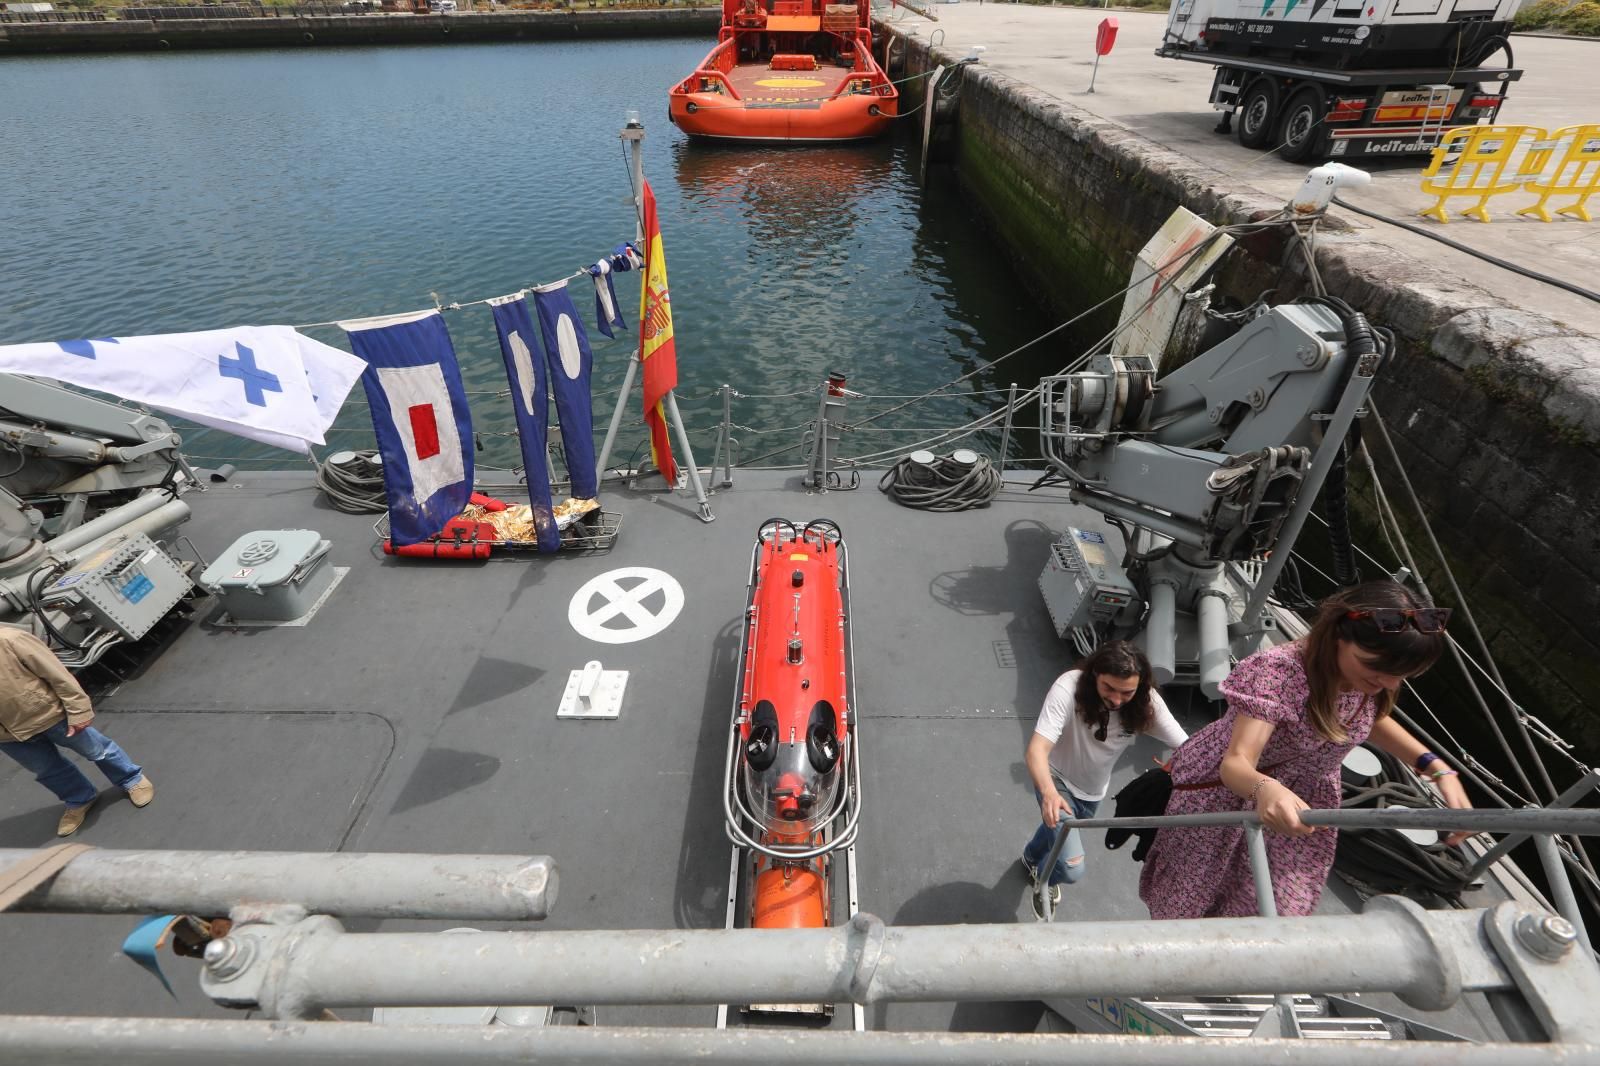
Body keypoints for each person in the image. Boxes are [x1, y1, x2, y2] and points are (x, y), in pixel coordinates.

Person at [1139, 579, 1470, 920]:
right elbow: (1236, 764)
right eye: (1375, 667)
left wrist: (1435, 766)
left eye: (1401, 675)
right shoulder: (1279, 672)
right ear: (1339, 635)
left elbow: (1367, 714)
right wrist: (1266, 788)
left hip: (1300, 803)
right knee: (1190, 903)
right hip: (1228, 797)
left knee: (1273, 912)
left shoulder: (1365, 678)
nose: (1387, 683)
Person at [1023, 640, 1188, 917]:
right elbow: (1036, 750)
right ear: (1093, 676)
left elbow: (1187, 746)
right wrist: (1050, 793)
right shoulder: (1069, 688)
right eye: (1108, 688)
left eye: (1126, 692)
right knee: (1072, 866)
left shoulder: (1146, 702)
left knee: (1057, 829)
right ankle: (1045, 879)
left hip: (1093, 791)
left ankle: (1030, 858)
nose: (1116, 699)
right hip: (1057, 781)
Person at [0, 626, 154, 837]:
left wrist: (79, 711)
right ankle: (80, 798)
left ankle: (131, 779)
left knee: (97, 750)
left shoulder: (11, 639)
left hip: (49, 714)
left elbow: (57, 675)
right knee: (47, 770)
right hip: (7, 735)